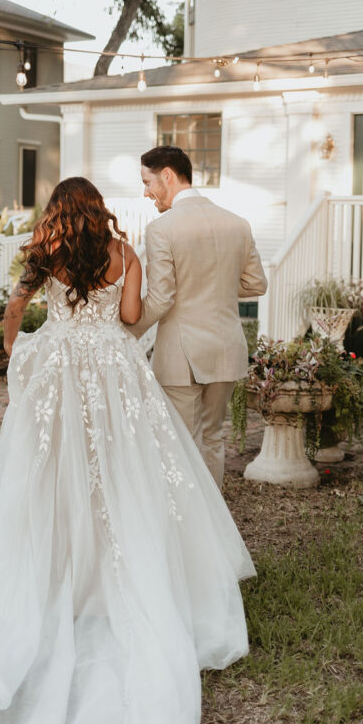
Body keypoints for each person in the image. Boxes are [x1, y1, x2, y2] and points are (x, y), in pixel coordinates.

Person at [0, 177, 255, 724]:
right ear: (99, 211)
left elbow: (13, 312)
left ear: (58, 210)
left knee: (55, 474)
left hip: (58, 366)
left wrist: (14, 351)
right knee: (127, 471)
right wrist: (112, 304)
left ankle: (69, 576)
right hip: (113, 370)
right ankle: (119, 578)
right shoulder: (124, 253)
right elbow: (133, 318)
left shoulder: (44, 252)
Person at [133, 146, 268, 487]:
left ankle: (188, 531)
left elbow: (161, 299)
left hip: (183, 355)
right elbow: (256, 284)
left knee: (180, 442)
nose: (146, 192)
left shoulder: (162, 229)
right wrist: (215, 286)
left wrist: (127, 330)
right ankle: (214, 528)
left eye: (147, 182)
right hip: (225, 347)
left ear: (168, 175)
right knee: (212, 439)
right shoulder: (238, 223)